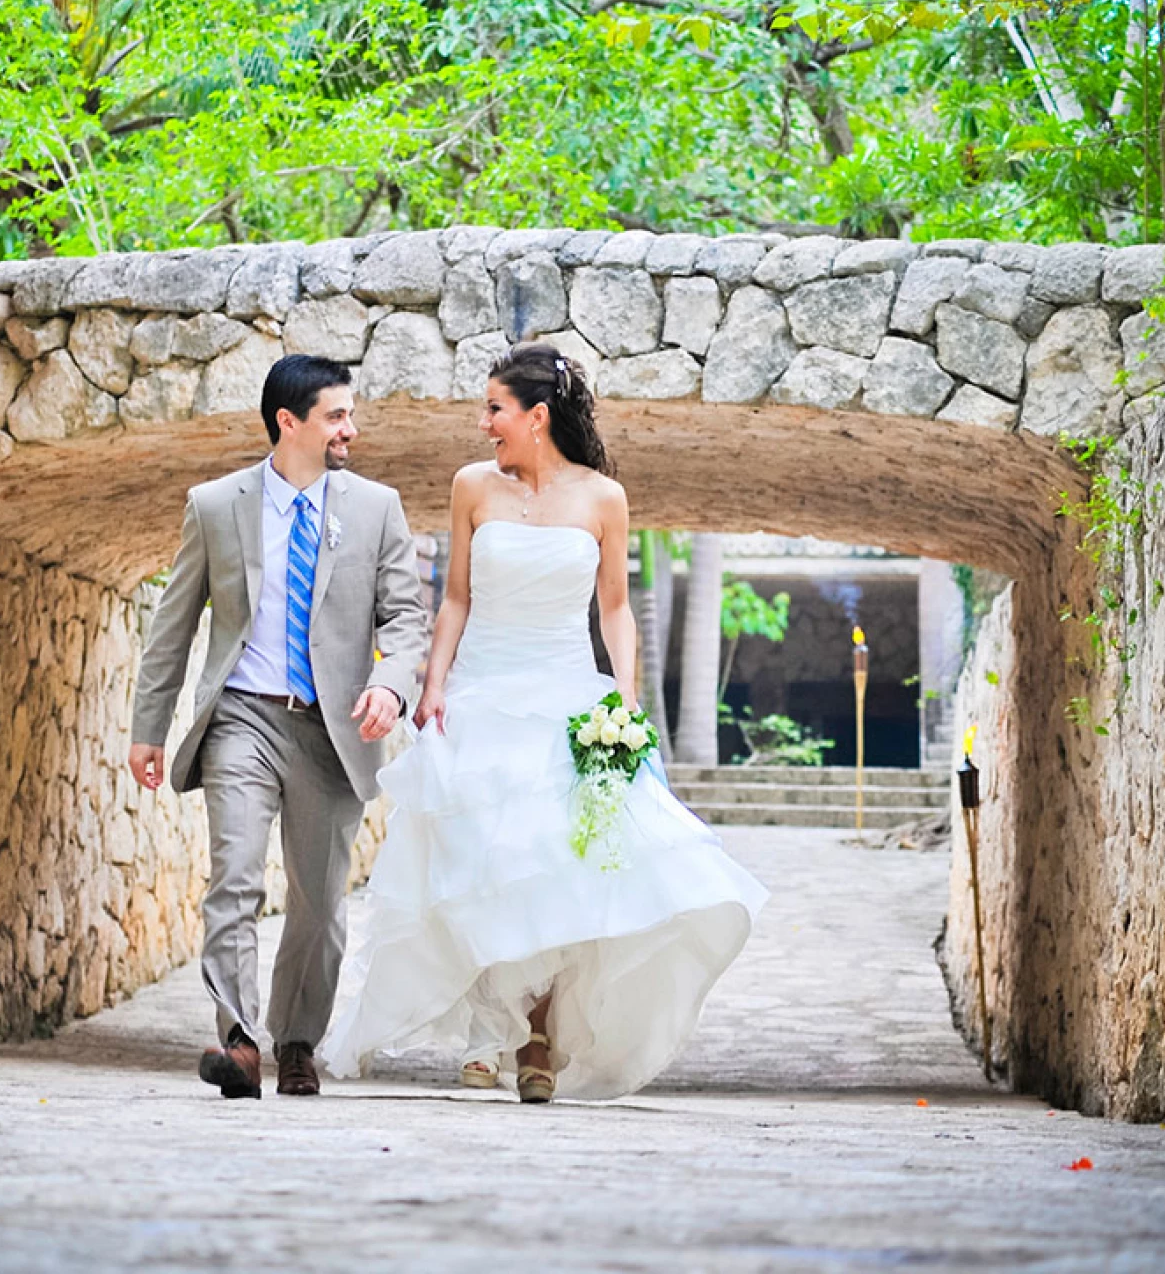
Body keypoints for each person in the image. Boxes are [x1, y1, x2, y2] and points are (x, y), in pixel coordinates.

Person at [317, 341, 766, 1103]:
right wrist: (433, 685)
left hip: (565, 694)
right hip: (482, 691)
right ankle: (504, 1028)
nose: (484, 422)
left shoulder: (603, 498)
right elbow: (454, 597)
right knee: (488, 865)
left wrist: (622, 697)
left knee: (559, 866)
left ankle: (538, 1036)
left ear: (537, 415)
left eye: (494, 408)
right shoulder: (471, 488)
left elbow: (615, 609)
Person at [129, 355, 429, 1099]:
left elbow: (406, 619)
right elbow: (172, 626)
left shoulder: (374, 508)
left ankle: (296, 1038)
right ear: (288, 422)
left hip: (335, 729)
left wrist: (391, 685)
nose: (350, 430)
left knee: (320, 903)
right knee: (232, 876)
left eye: (350, 415)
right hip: (242, 717)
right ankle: (237, 1039)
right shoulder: (214, 504)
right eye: (336, 416)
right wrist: (149, 725)